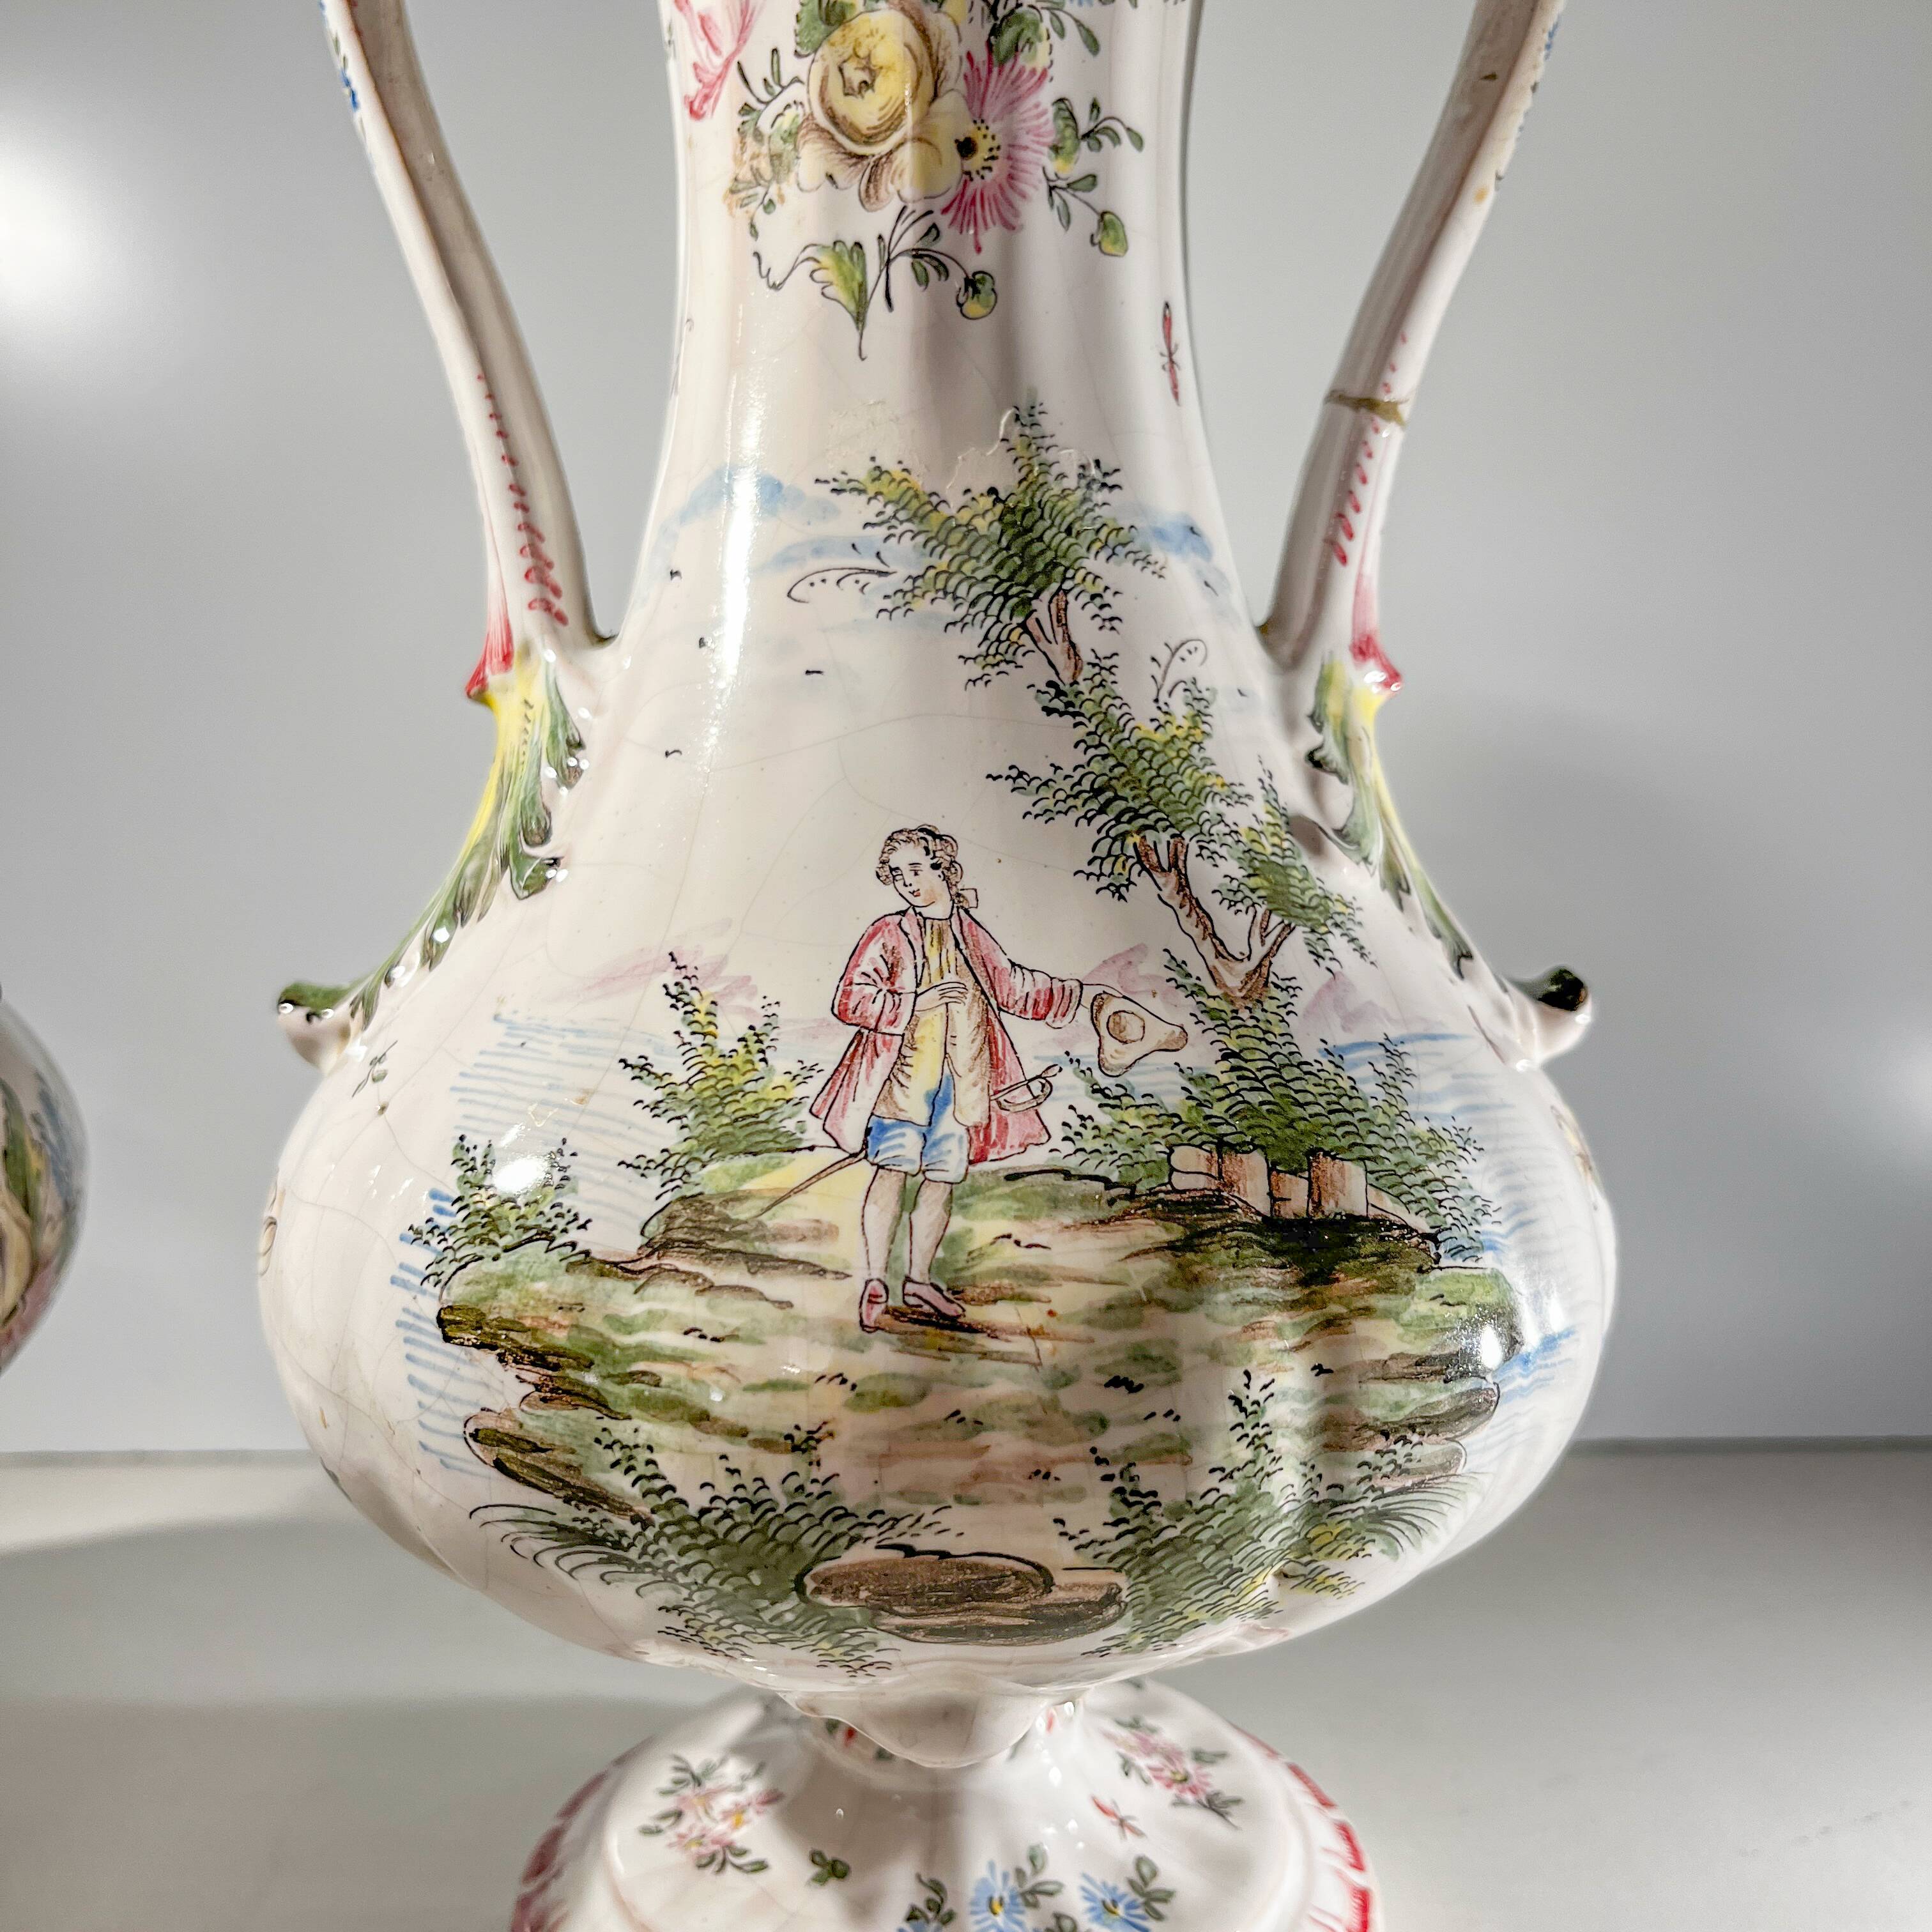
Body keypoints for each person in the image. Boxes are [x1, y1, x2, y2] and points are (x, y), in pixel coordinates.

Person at [811, 827, 1084, 1331]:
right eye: (898, 875)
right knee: (891, 1172)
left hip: (962, 1082)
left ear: (943, 870)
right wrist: (918, 1002)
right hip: (902, 1082)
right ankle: (875, 1280)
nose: (907, 883)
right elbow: (850, 999)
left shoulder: (969, 932)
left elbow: (1012, 986)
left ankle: (918, 1279)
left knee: (940, 1180)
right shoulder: (888, 933)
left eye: (917, 870)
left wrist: (1075, 995)